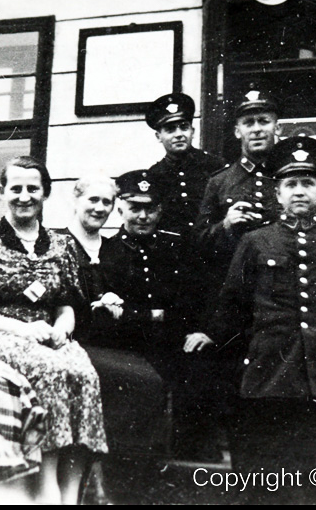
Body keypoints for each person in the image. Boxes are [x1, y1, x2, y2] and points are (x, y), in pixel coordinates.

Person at [0, 156, 107, 505]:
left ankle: (72, 491)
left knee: (83, 371)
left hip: (45, 336)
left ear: (45, 193)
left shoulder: (61, 245)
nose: (24, 196)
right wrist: (22, 329)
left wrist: (62, 328)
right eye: (15, 188)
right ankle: (46, 485)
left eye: (33, 188)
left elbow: (66, 307)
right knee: (50, 369)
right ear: (1, 191)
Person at [209, 137, 316, 492]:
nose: (300, 191)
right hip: (268, 375)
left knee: (315, 474)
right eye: (291, 184)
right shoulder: (255, 242)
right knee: (266, 477)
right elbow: (232, 308)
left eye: (308, 183)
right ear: (277, 194)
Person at [96, 170, 224, 461]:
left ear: (160, 209)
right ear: (120, 209)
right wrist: (155, 315)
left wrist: (200, 329)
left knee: (200, 372)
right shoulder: (108, 251)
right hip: (129, 347)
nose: (143, 216)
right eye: (135, 208)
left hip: (175, 342)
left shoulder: (178, 247)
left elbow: (199, 296)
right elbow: (112, 316)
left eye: (150, 208)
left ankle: (193, 461)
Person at [193, 83, 282, 290]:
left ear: (278, 128)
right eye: (248, 123)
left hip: (281, 285)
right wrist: (225, 225)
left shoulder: (290, 178)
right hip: (235, 284)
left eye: (264, 121)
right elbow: (199, 241)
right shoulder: (219, 181)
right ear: (237, 131)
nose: (257, 129)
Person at [145, 92, 225, 236]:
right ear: (158, 136)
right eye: (170, 129)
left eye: (184, 127)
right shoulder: (154, 174)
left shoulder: (215, 166)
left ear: (192, 131)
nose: (179, 134)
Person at [58, 174, 118, 344]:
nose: (99, 208)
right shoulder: (54, 243)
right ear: (75, 201)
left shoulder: (115, 248)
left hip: (110, 345)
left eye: (107, 202)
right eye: (93, 200)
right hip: (66, 341)